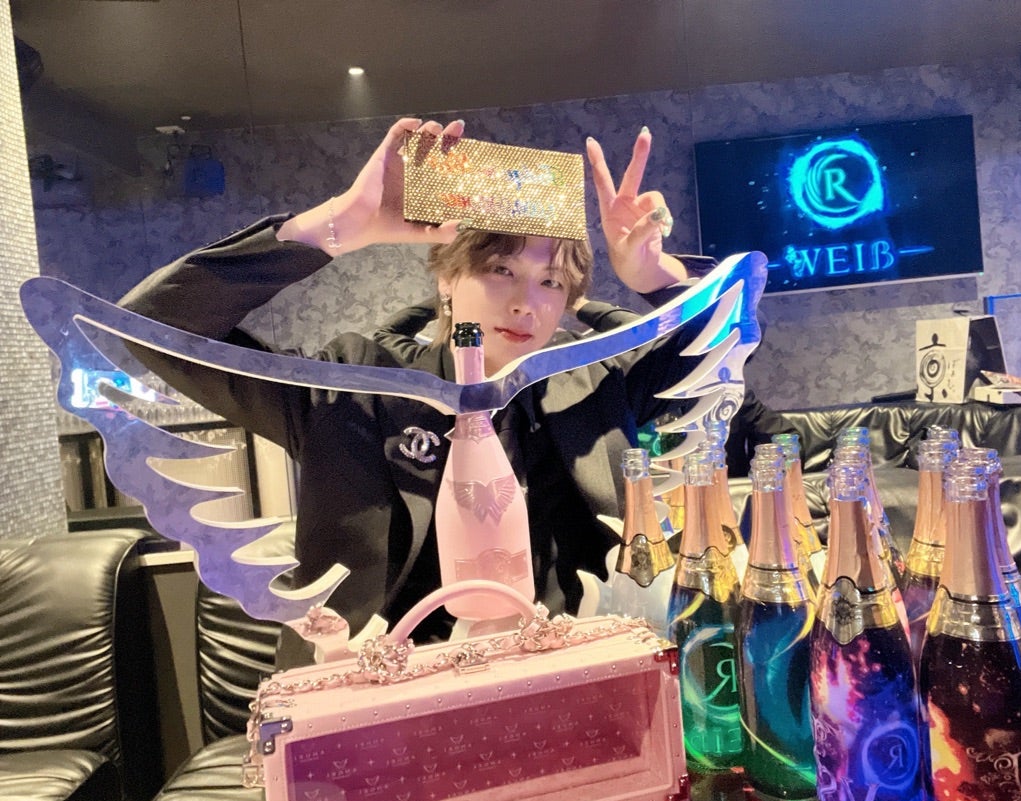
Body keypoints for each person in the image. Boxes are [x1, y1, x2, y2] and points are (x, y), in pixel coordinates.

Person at [118, 117, 749, 664]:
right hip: (380, 699)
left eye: (551, 282)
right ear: (447, 277)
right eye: (500, 269)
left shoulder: (596, 387)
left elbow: (724, 344)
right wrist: (335, 227)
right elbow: (153, 324)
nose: (526, 302)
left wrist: (657, 277)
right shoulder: (355, 385)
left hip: (570, 677)